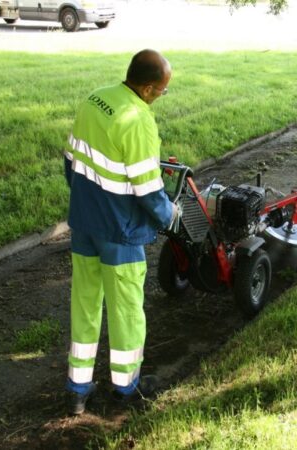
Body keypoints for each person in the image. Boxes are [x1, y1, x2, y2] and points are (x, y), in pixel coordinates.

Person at [63, 49, 177, 415]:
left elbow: (71, 162)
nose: (160, 96)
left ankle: (78, 389)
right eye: (161, 90)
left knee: (84, 304)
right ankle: (125, 387)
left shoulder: (93, 99)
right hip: (120, 232)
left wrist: (86, 203)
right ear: (146, 89)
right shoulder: (138, 119)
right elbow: (147, 188)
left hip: (84, 225)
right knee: (126, 310)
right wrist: (169, 216)